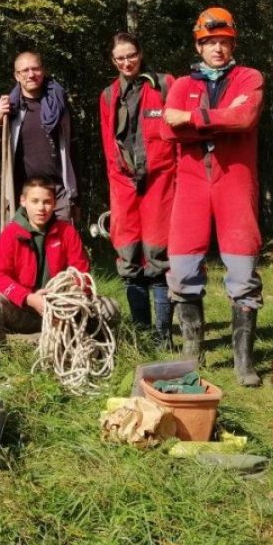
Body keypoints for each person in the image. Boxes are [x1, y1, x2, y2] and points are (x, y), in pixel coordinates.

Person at [161, 7, 264, 387]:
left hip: (235, 181)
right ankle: (193, 355)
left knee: (243, 272)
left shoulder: (249, 77)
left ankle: (243, 363)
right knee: (182, 269)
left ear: (232, 45)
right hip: (191, 185)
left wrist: (192, 118)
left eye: (223, 42)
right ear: (199, 46)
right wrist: (222, 118)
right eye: (210, 43)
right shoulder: (181, 84)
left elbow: (245, 118)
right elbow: (167, 130)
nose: (217, 49)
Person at [98, 32, 176, 346]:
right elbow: (108, 144)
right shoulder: (108, 95)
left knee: (158, 254)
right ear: (113, 61)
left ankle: (163, 336)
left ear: (140, 54)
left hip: (160, 180)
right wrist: (118, 181)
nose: (127, 62)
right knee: (129, 255)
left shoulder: (164, 85)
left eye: (131, 55)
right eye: (120, 58)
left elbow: (178, 136)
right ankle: (143, 335)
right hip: (123, 183)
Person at [0, 178, 93, 343]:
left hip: (61, 310)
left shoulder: (67, 232)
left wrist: (62, 299)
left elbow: (82, 274)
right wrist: (29, 298)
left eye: (47, 202)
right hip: (22, 311)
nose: (41, 208)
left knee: (109, 308)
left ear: (55, 203)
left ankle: (67, 339)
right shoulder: (10, 234)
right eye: (35, 201)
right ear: (23, 201)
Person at [0, 52, 78, 221]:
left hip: (57, 193)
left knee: (61, 239)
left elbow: (74, 149)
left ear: (43, 70)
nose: (31, 75)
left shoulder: (59, 105)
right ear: (16, 76)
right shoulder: (9, 108)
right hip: (22, 193)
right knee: (21, 239)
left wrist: (76, 197)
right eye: (25, 70)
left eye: (35, 69)